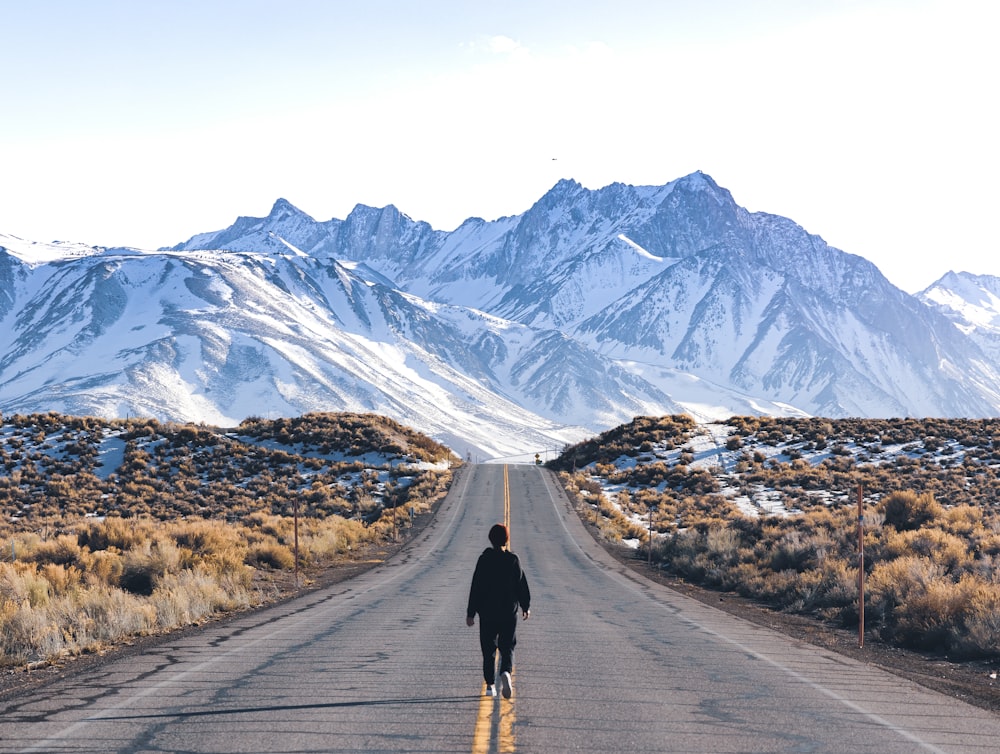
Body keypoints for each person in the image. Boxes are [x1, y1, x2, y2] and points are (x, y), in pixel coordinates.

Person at [466, 523, 531, 699]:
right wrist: (526, 606)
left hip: (487, 613)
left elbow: (476, 587)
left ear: (490, 539)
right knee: (507, 646)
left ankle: (490, 685)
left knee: (488, 649)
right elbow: (521, 585)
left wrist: (470, 613)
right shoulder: (513, 560)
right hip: (508, 613)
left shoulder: (484, 560)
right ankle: (506, 672)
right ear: (506, 539)